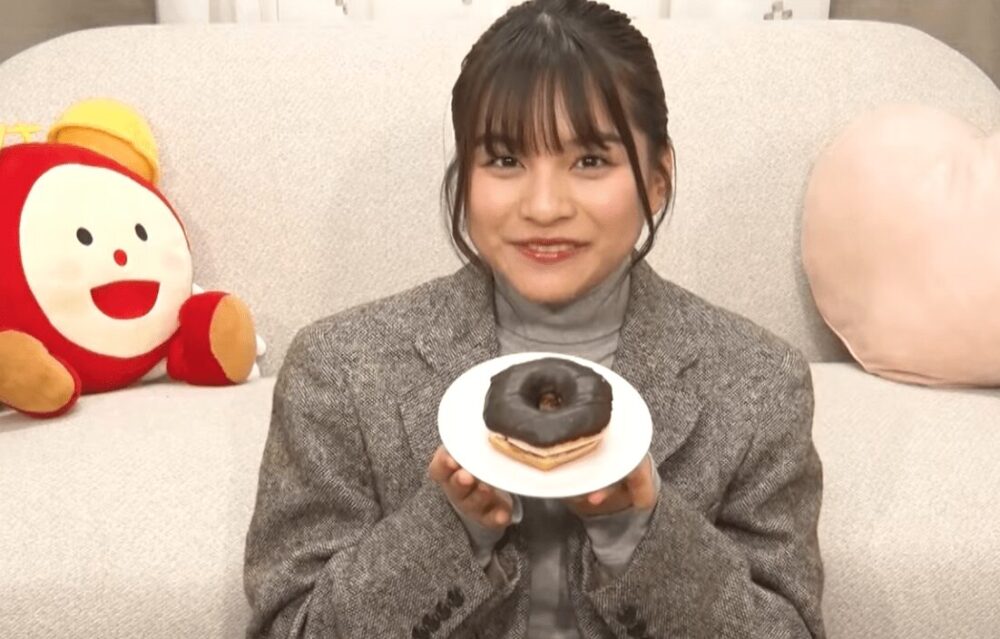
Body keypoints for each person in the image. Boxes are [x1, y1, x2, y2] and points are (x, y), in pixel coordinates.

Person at [243, 1, 825, 637]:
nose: (544, 207)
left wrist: (642, 533)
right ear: (465, 178)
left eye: (590, 160)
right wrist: (447, 529)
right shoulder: (340, 373)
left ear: (657, 179)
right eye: (505, 160)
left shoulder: (759, 384)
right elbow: (289, 627)